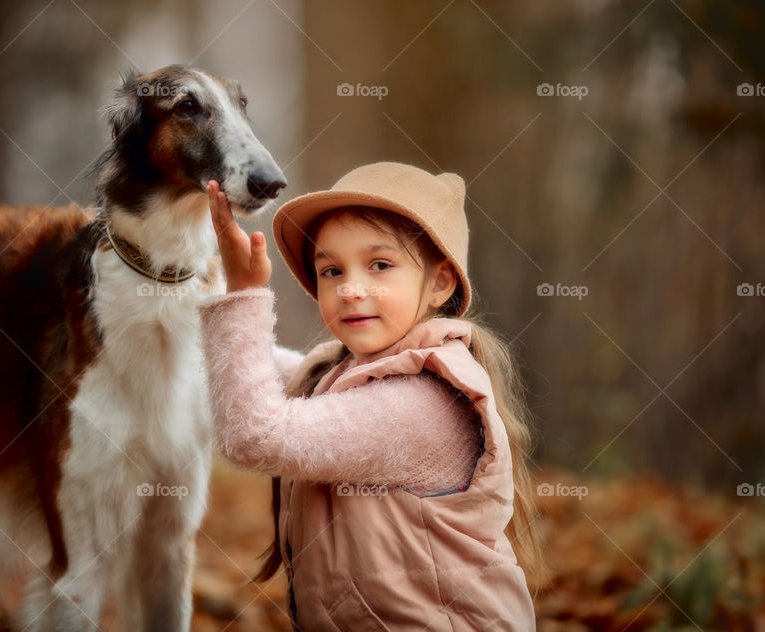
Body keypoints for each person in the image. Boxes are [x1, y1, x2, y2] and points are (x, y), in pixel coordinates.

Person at [198, 162, 541, 631]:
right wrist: (200, 277)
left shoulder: (423, 404)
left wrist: (243, 295)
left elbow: (255, 435)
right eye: (332, 270)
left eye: (380, 265)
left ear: (439, 282)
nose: (350, 289)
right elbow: (254, 370)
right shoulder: (341, 371)